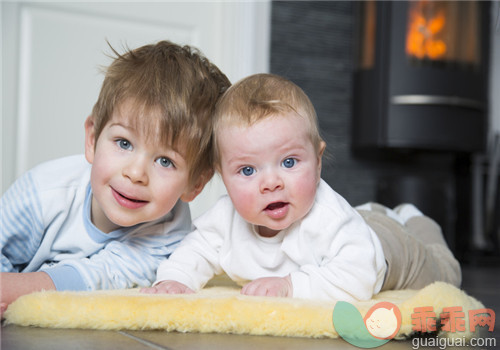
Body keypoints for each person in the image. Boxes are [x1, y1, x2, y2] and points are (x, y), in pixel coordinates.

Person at [141, 73, 461, 301]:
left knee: (444, 274)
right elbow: (195, 250)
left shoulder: (329, 218)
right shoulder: (225, 220)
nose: (271, 182)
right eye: (248, 170)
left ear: (318, 161)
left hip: (392, 252)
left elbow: (360, 277)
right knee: (360, 222)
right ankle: (375, 212)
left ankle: (416, 220)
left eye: (289, 163)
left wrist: (292, 286)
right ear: (222, 177)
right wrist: (175, 280)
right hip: (357, 225)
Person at [0, 40, 231, 315]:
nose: (135, 174)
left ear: (195, 184)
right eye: (123, 143)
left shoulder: (170, 236)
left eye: (165, 161)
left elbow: (96, 278)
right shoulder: (41, 193)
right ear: (93, 138)